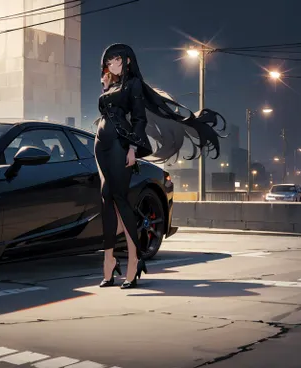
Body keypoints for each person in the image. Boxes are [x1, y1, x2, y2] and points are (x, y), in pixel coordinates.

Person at [94, 43, 226, 289]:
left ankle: (134, 260)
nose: (111, 64)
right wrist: (105, 87)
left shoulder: (133, 85)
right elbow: (108, 113)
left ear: (127, 61)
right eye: (109, 60)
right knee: (106, 199)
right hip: (100, 145)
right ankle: (109, 260)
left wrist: (133, 149)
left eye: (116, 60)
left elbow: (140, 119)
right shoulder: (110, 85)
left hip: (120, 146)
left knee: (121, 200)